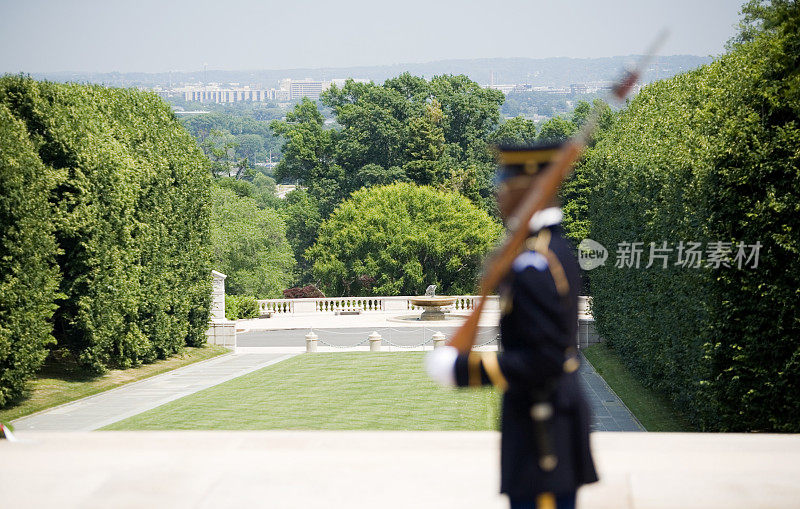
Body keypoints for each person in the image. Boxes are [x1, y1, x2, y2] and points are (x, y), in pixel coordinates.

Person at [426, 142, 598, 509]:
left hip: (544, 427)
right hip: (543, 420)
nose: (498, 193)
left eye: (504, 183)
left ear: (527, 189)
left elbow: (544, 360)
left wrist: (463, 369)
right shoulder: (546, 251)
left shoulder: (535, 264)